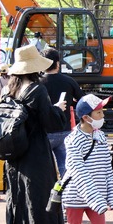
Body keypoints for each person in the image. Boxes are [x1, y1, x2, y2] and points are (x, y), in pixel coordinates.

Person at [4, 44, 67, 224]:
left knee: (19, 205)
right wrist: (58, 109)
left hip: (14, 159)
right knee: (40, 209)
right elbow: (51, 122)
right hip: (36, 157)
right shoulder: (37, 90)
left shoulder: (9, 90)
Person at [61, 94, 113, 224]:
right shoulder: (73, 140)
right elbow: (79, 172)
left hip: (97, 195)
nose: (102, 115)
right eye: (99, 112)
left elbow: (107, 167)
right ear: (86, 117)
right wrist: (97, 200)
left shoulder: (100, 136)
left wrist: (111, 196)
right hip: (76, 196)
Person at [41, 47, 85, 177]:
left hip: (44, 133)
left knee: (44, 169)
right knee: (66, 168)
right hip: (64, 130)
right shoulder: (69, 81)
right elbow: (82, 100)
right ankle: (66, 194)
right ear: (57, 63)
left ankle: (49, 194)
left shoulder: (38, 83)